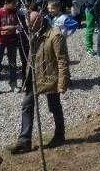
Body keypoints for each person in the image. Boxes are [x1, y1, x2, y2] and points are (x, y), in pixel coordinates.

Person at [10, 10, 71, 154]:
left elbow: (62, 60)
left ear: (39, 22)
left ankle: (59, 135)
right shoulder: (32, 34)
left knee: (54, 106)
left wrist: (62, 83)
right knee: (27, 104)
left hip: (50, 78)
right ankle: (25, 140)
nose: (29, 29)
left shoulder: (55, 35)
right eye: (27, 26)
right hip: (34, 77)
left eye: (31, 26)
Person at [0, 0, 20, 96]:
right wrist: (4, 28)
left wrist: (16, 29)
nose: (15, 5)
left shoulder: (15, 12)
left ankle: (13, 83)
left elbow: (19, 25)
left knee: (12, 62)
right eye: (14, 3)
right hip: (0, 41)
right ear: (7, 3)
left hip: (12, 40)